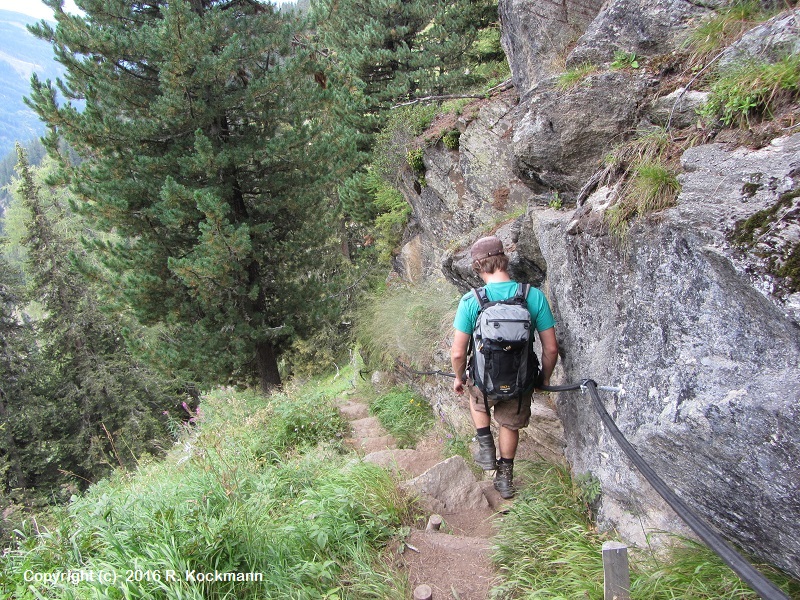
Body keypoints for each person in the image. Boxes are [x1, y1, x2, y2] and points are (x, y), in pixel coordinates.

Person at [450, 236, 559, 499]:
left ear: (478, 266)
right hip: (520, 378)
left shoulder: (471, 300)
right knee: (510, 425)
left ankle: (486, 448)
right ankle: (505, 479)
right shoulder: (533, 296)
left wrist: (459, 377)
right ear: (504, 260)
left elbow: (457, 352)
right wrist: (542, 378)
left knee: (477, 402)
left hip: (483, 379)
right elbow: (551, 349)